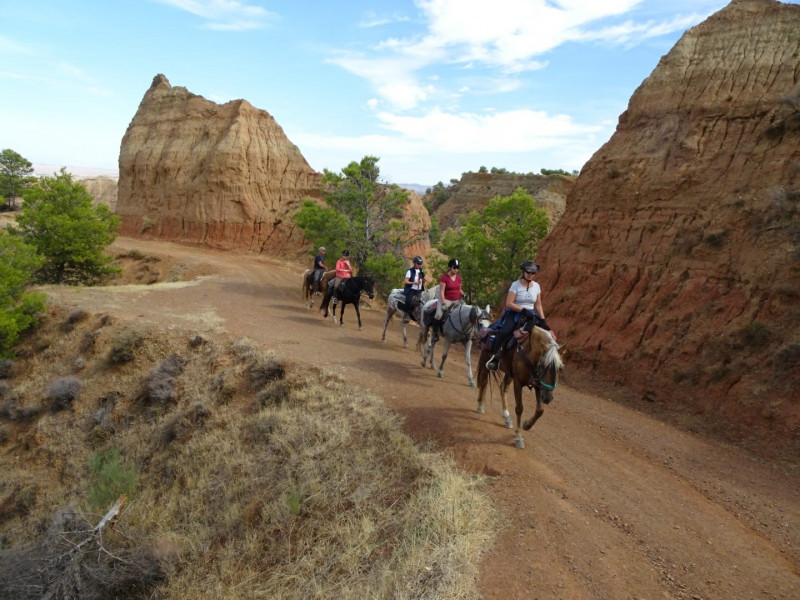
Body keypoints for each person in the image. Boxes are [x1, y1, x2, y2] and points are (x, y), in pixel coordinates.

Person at [485, 260, 556, 371]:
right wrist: (523, 309)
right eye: (528, 272)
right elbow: (509, 303)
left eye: (533, 273)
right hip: (514, 313)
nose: (531, 275)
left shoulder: (536, 286)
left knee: (545, 335)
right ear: (523, 271)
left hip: (530, 315)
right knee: (504, 332)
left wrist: (543, 320)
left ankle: (544, 364)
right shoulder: (515, 285)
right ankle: (496, 358)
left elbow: (538, 305)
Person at [432, 258, 464, 341]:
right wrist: (443, 303)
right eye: (454, 267)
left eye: (457, 268)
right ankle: (435, 333)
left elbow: (459, 289)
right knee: (438, 314)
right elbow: (441, 291)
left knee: (466, 312)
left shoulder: (459, 278)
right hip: (446, 299)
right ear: (450, 267)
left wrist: (464, 294)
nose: (456, 269)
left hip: (457, 300)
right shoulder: (444, 278)